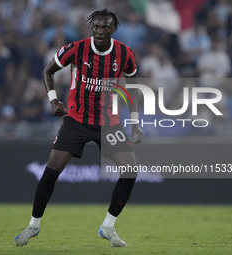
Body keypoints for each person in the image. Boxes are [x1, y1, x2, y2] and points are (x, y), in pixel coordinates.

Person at [14, 9, 143, 248]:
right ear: (91, 28)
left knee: (130, 170)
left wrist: (135, 123)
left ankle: (108, 226)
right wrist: (53, 100)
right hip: (77, 119)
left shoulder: (125, 53)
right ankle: (33, 225)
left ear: (113, 29)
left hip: (108, 122)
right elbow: (48, 71)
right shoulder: (77, 48)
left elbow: (133, 88)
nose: (100, 32)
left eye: (105, 27)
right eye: (96, 27)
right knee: (52, 170)